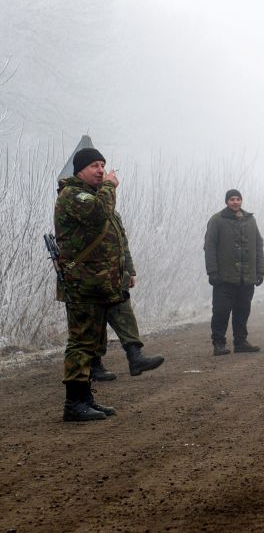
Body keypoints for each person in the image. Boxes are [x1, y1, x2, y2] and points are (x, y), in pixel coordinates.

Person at [54, 147, 128, 421]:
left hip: (93, 283)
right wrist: (109, 186)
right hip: (80, 283)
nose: (100, 170)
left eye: (103, 165)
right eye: (95, 165)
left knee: (90, 343)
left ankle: (85, 398)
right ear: (79, 170)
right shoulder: (73, 195)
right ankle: (74, 403)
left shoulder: (87, 195)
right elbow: (99, 215)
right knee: (80, 343)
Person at [88, 212, 165, 381]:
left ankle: (135, 357)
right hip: (93, 277)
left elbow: (123, 244)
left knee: (125, 315)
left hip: (116, 277)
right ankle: (94, 365)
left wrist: (130, 271)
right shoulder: (89, 207)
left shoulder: (113, 213)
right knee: (95, 322)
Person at [204, 189, 264, 356]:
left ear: (241, 201)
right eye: (232, 199)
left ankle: (241, 342)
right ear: (227, 201)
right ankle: (218, 343)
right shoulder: (217, 220)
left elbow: (258, 245)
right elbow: (209, 247)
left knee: (243, 310)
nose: (235, 202)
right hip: (224, 277)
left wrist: (260, 271)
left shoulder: (250, 220)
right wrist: (212, 272)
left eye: (238, 199)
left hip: (247, 278)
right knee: (221, 312)